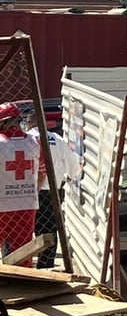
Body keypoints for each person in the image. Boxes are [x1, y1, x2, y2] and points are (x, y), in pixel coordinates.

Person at [26, 110, 80, 269]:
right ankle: (46, 263)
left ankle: (24, 261)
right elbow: (74, 166)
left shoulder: (27, 139)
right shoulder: (58, 140)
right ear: (45, 122)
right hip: (52, 192)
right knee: (50, 227)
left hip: (28, 191)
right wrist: (68, 177)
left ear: (29, 123)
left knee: (30, 227)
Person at [0, 102, 42, 266]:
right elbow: (43, 171)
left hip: (2, 202)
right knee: (23, 248)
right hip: (27, 203)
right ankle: (24, 279)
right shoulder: (34, 142)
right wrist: (33, 191)